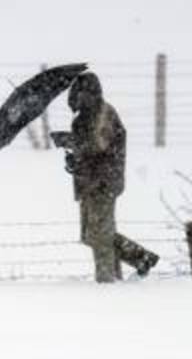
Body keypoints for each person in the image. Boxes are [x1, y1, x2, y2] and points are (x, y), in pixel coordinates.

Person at [59, 72, 160, 283]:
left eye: (79, 94)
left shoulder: (104, 113)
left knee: (100, 235)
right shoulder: (82, 119)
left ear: (90, 93)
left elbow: (98, 145)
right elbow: (86, 151)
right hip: (88, 182)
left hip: (104, 182)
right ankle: (141, 257)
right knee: (90, 235)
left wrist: (70, 142)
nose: (76, 99)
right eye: (75, 95)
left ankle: (106, 282)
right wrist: (74, 161)